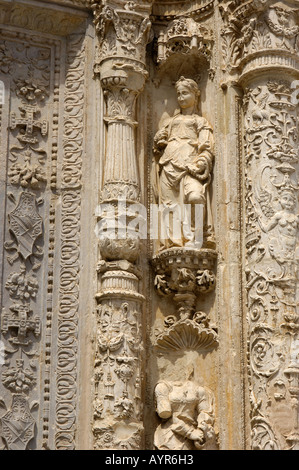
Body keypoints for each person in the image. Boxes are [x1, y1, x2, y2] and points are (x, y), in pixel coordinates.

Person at [153, 77, 214, 249]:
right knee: (169, 205)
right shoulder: (170, 122)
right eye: (178, 94)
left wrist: (202, 161)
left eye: (185, 93)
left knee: (195, 196)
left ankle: (197, 237)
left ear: (196, 95)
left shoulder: (200, 121)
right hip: (169, 164)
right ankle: (175, 242)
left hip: (190, 165)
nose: (180, 97)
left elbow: (206, 146)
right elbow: (159, 142)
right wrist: (159, 141)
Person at [154, 378, 217, 450]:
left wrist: (202, 429)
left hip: (192, 438)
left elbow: (205, 412)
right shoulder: (162, 387)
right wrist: (189, 432)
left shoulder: (199, 390)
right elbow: (166, 415)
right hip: (169, 436)